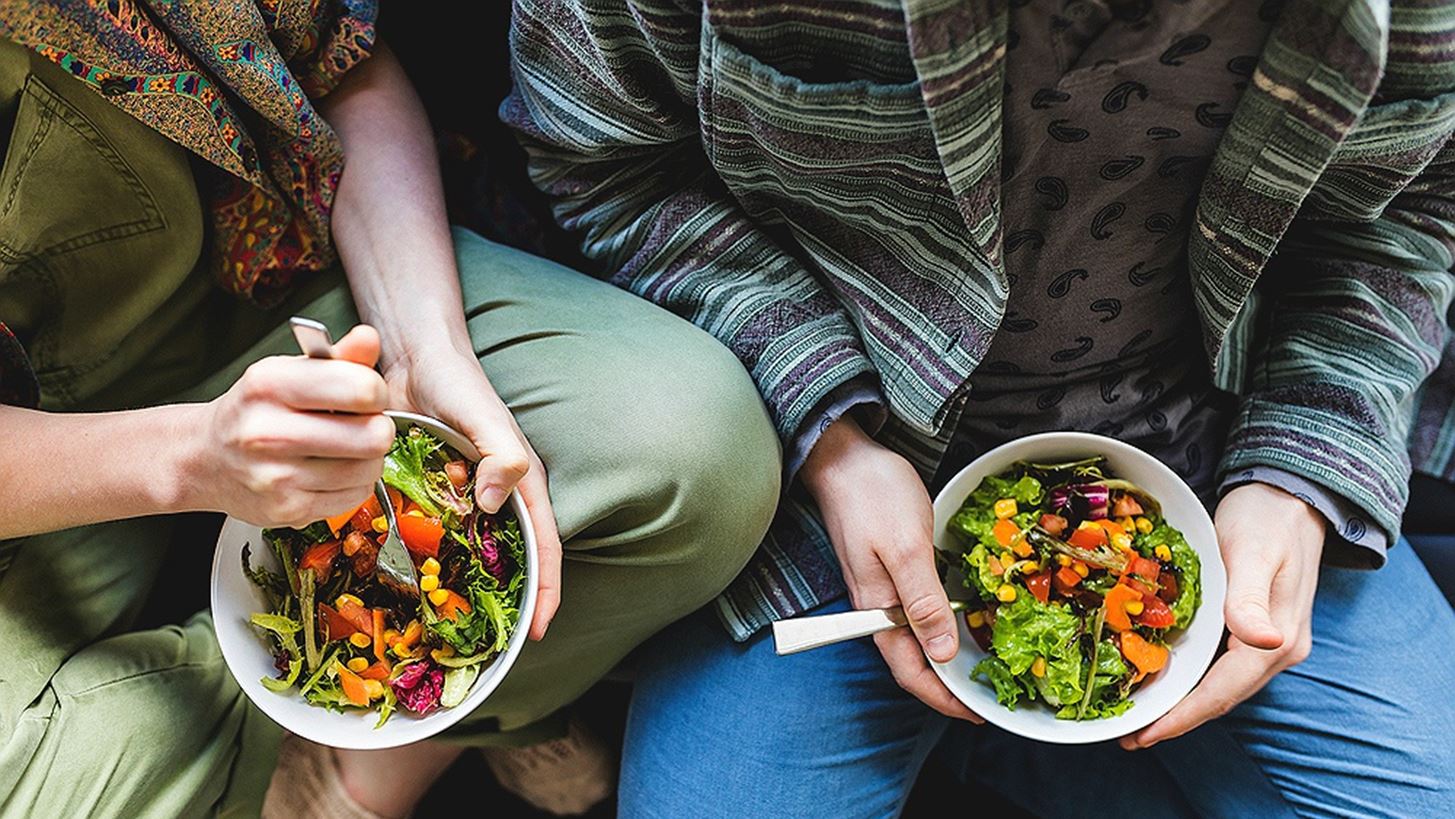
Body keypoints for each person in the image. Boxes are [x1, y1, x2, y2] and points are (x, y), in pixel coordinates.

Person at [502, 0, 1455, 815]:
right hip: (808, 476)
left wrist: (1300, 468)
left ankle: (1001, 747)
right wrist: (832, 444)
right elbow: (602, 160)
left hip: (1212, 450)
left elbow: (1405, 210)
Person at [0, 3, 780, 817]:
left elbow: (343, 66)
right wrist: (188, 459)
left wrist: (420, 350)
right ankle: (321, 754)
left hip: (262, 275)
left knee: (696, 446)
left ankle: (358, 754)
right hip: (28, 478)